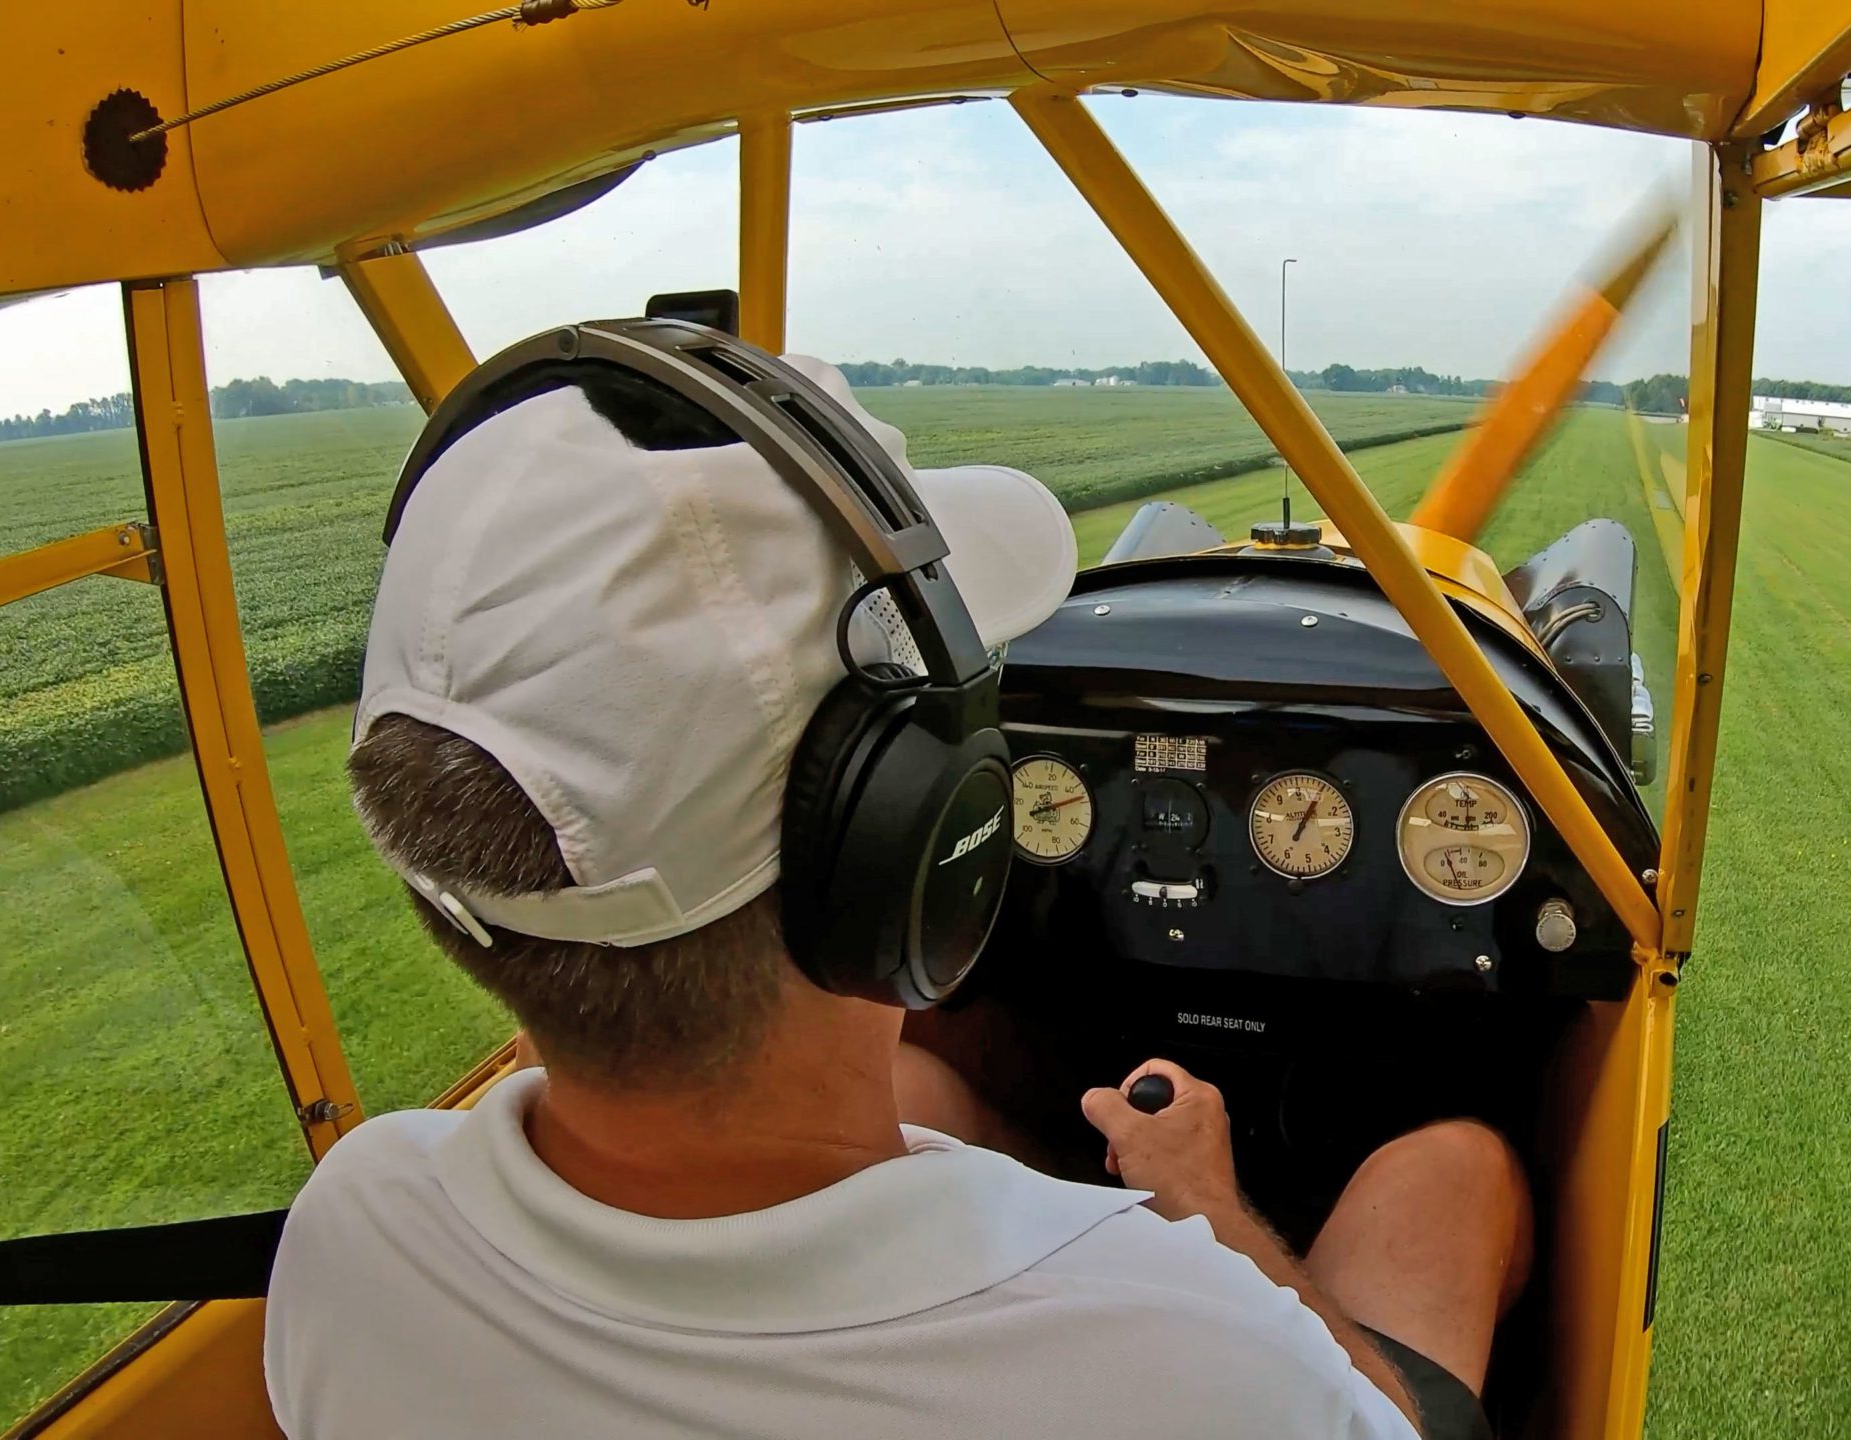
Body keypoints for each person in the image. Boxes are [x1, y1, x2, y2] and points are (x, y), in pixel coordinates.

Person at [264, 346, 1532, 1440]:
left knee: (935, 1084)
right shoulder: (1192, 1359)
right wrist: (1205, 1215)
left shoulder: (354, 1232)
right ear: (905, 842)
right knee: (1456, 1163)